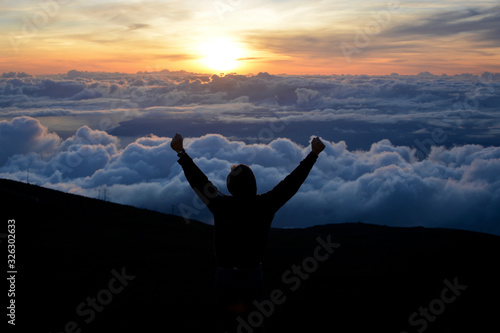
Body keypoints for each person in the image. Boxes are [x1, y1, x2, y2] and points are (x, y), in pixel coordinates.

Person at [170, 134, 325, 332]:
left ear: (230, 186)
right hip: (253, 275)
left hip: (225, 275)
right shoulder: (266, 204)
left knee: (226, 325)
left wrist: (181, 152)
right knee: (253, 324)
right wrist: (313, 154)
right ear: (253, 184)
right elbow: (291, 184)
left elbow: (198, 181)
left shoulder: (220, 204)